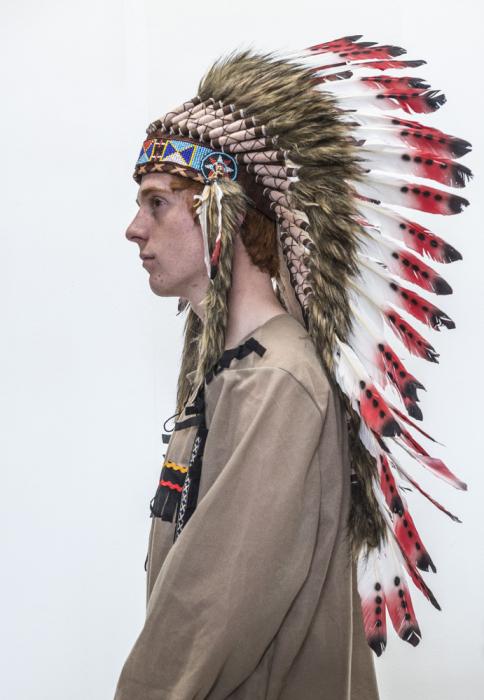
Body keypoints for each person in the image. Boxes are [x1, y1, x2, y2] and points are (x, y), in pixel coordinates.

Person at [114, 34, 471, 699]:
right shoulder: (233, 369)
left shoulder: (275, 381)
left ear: (222, 212)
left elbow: (211, 607)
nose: (135, 227)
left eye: (157, 201)